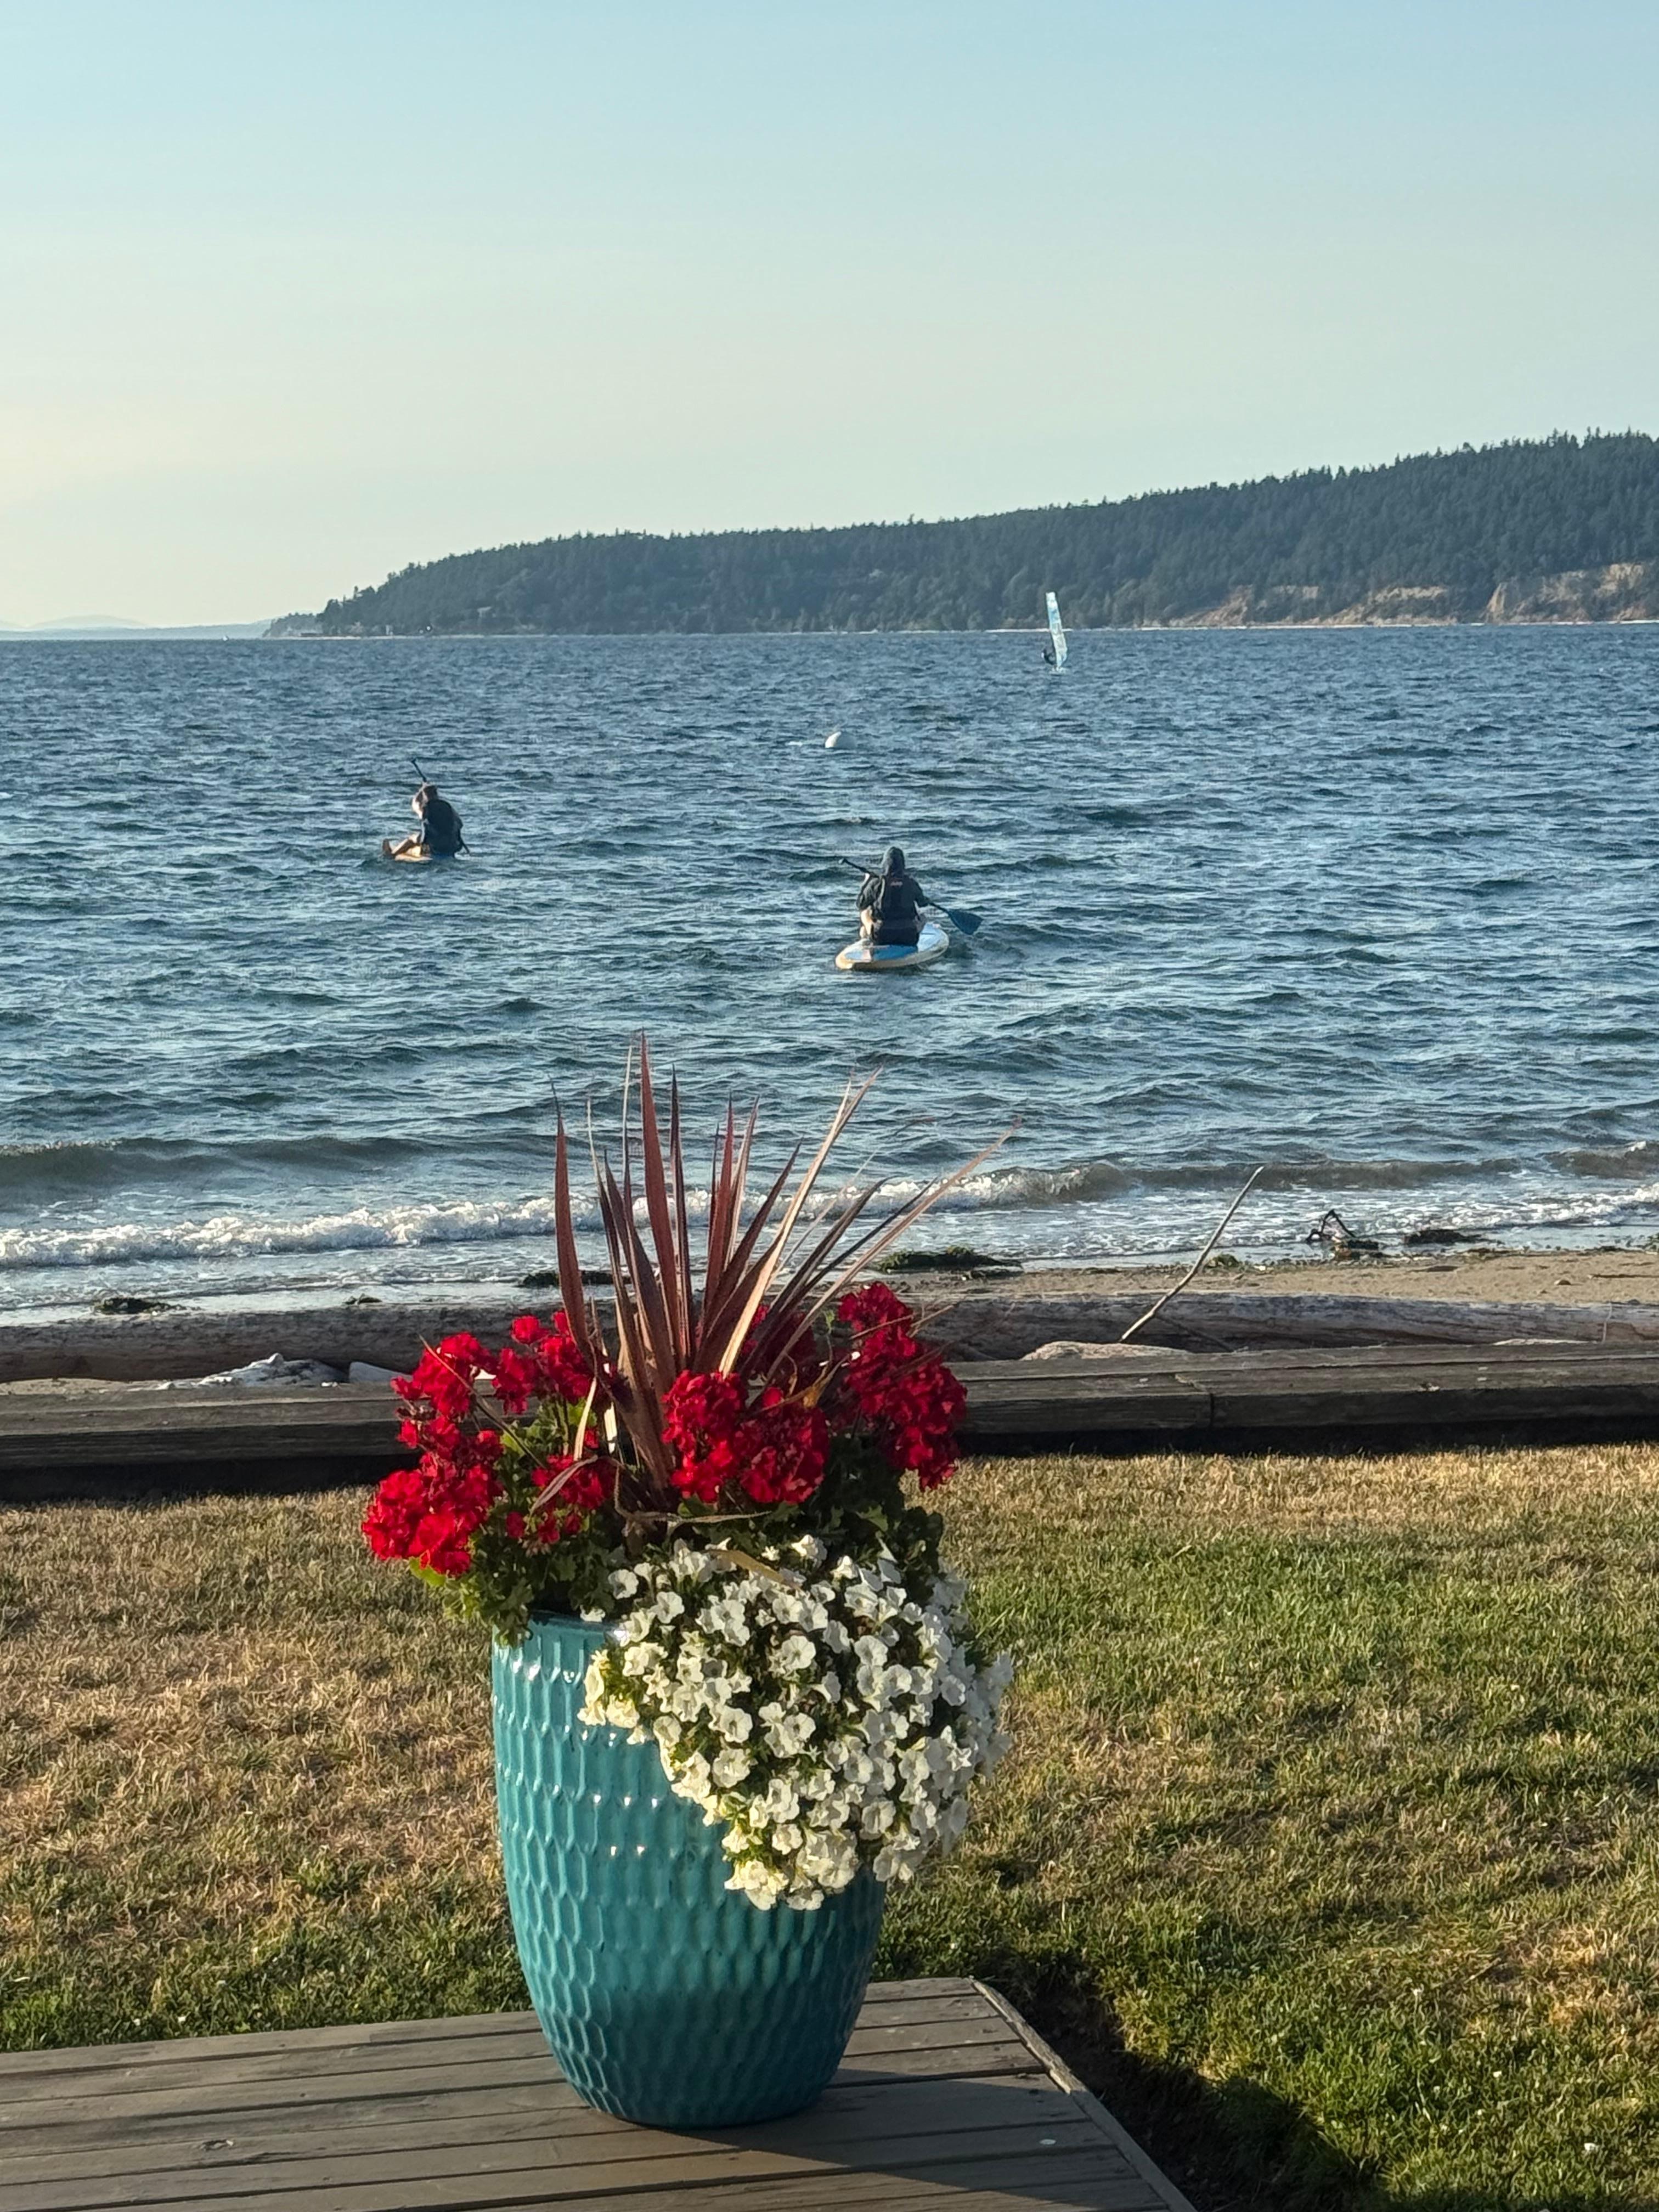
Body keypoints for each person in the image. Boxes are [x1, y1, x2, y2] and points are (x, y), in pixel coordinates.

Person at [857, 844, 927, 947]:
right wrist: (927, 899)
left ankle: (867, 941)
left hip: (881, 937)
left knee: (864, 914)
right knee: (923, 917)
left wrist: (867, 882)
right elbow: (922, 903)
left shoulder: (876, 883)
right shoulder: (911, 883)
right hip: (908, 936)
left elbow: (860, 904)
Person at [386, 782, 465, 859]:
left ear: (425, 796)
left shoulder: (426, 809)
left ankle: (392, 855)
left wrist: (421, 790)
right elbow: (460, 824)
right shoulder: (447, 806)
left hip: (435, 845)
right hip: (452, 844)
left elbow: (415, 804)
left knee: (412, 839)